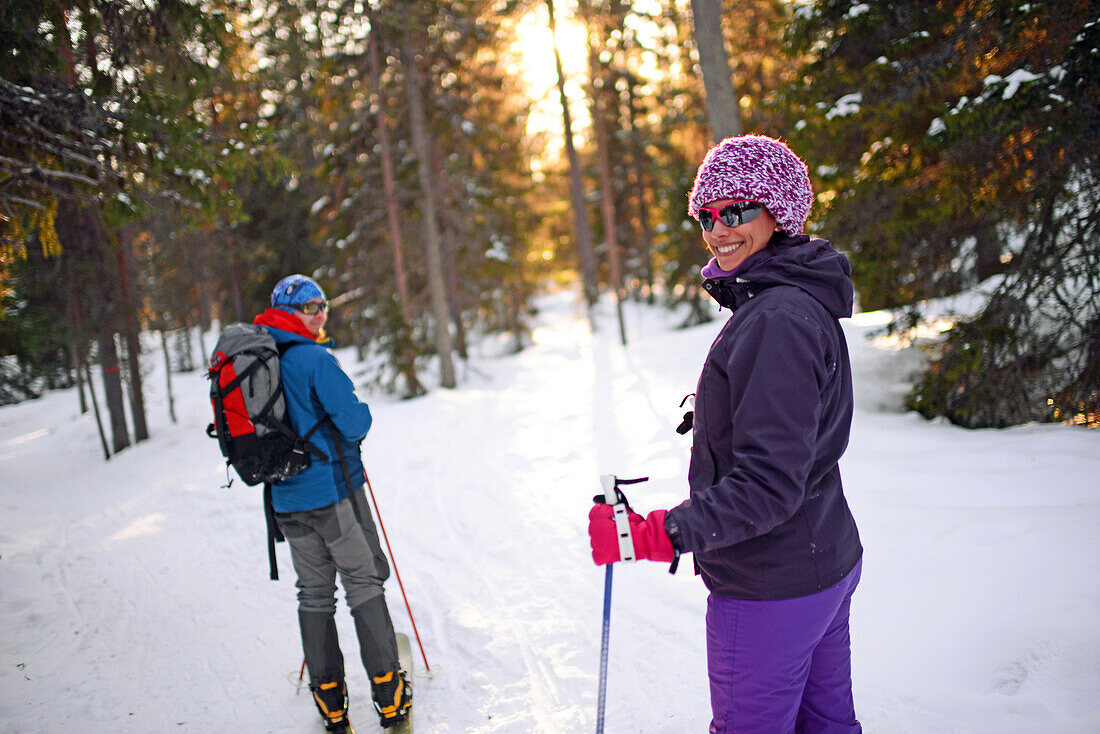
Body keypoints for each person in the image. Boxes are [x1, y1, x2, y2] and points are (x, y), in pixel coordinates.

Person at [588, 135, 863, 734]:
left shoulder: (778, 321)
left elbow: (768, 486)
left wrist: (651, 534)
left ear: (778, 212)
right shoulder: (792, 301)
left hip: (773, 586)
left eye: (736, 211)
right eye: (707, 216)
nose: (719, 230)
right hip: (820, 564)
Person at [253, 274, 411, 732]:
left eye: (323, 305)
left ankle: (330, 700)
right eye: (309, 306)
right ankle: (388, 691)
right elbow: (354, 421)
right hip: (334, 494)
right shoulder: (312, 359)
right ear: (288, 310)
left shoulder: (261, 361)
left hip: (285, 500)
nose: (320, 313)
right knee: (363, 582)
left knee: (315, 593)